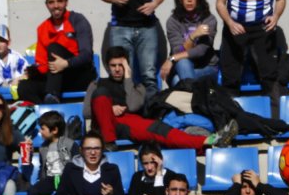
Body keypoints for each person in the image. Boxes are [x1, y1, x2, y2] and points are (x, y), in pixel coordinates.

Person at [85, 47, 238, 151]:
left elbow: (132, 106)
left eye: (121, 65)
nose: (117, 69)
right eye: (113, 65)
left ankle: (209, 141)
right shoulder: (97, 83)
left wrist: (128, 79)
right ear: (107, 66)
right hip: (103, 126)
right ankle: (108, 142)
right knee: (101, 93)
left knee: (159, 129)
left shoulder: (137, 86)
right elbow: (86, 112)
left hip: (126, 122)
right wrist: (109, 108)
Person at [19, 0, 98, 104]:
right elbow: (42, 65)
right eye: (51, 2)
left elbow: (86, 55)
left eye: (59, 1)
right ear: (46, 5)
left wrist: (66, 63)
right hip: (57, 80)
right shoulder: (42, 28)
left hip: (79, 75)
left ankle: (52, 96)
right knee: (24, 87)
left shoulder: (78, 20)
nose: (56, 5)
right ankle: (49, 113)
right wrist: (32, 73)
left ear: (66, 2)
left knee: (53, 48)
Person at [216, 0, 288, 97]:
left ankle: (273, 110)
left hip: (263, 27)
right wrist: (229, 22)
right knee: (230, 75)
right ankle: (230, 108)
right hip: (234, 28)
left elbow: (281, 0)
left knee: (269, 74)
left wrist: (275, 16)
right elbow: (220, 3)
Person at [101, 0, 164, 96]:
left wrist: (155, 3)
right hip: (120, 27)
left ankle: (151, 108)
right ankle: (124, 107)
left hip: (147, 27)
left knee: (149, 75)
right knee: (121, 74)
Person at [161, 0, 220, 84]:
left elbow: (200, 51)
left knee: (177, 80)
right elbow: (177, 51)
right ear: (180, 0)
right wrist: (193, 36)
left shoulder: (209, 19)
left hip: (206, 67)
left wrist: (171, 59)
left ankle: (189, 94)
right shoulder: (173, 21)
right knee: (183, 62)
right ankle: (192, 95)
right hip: (181, 66)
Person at [26, 111, 76, 195]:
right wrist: (40, 180)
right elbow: (43, 167)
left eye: (43, 129)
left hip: (67, 179)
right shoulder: (43, 147)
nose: (40, 132)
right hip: (50, 180)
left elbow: (78, 162)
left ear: (54, 130)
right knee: (33, 191)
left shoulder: (69, 144)